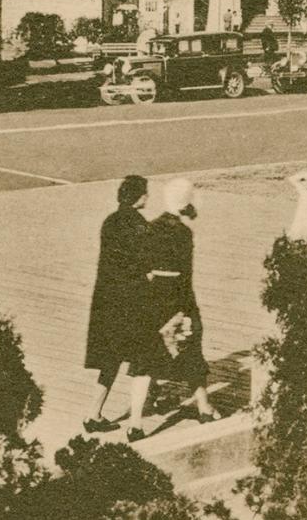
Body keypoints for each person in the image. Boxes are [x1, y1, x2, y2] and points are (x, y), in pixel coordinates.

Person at [83, 175, 155, 437]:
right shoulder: (139, 225)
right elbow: (148, 263)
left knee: (110, 359)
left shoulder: (110, 222)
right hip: (133, 302)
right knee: (143, 361)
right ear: (139, 197)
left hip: (106, 300)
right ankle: (135, 424)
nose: (148, 197)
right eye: (145, 193)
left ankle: (93, 414)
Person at [144, 178, 219, 427]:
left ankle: (153, 393)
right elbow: (186, 274)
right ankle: (204, 406)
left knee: (153, 345)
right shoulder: (183, 232)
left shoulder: (151, 227)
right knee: (192, 345)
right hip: (178, 296)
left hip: (153, 297)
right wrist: (187, 309)